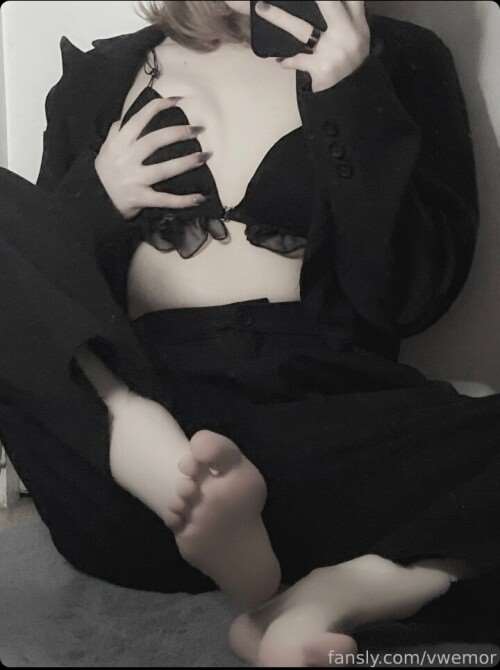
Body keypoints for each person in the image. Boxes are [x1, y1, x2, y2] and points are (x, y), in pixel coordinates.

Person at [0, 0, 498, 664]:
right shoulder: (97, 77)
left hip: (323, 430)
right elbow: (34, 300)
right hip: (141, 467)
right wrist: (97, 199)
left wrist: (349, 92)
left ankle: (336, 596)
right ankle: (145, 449)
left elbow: (408, 299)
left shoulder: (401, 59)